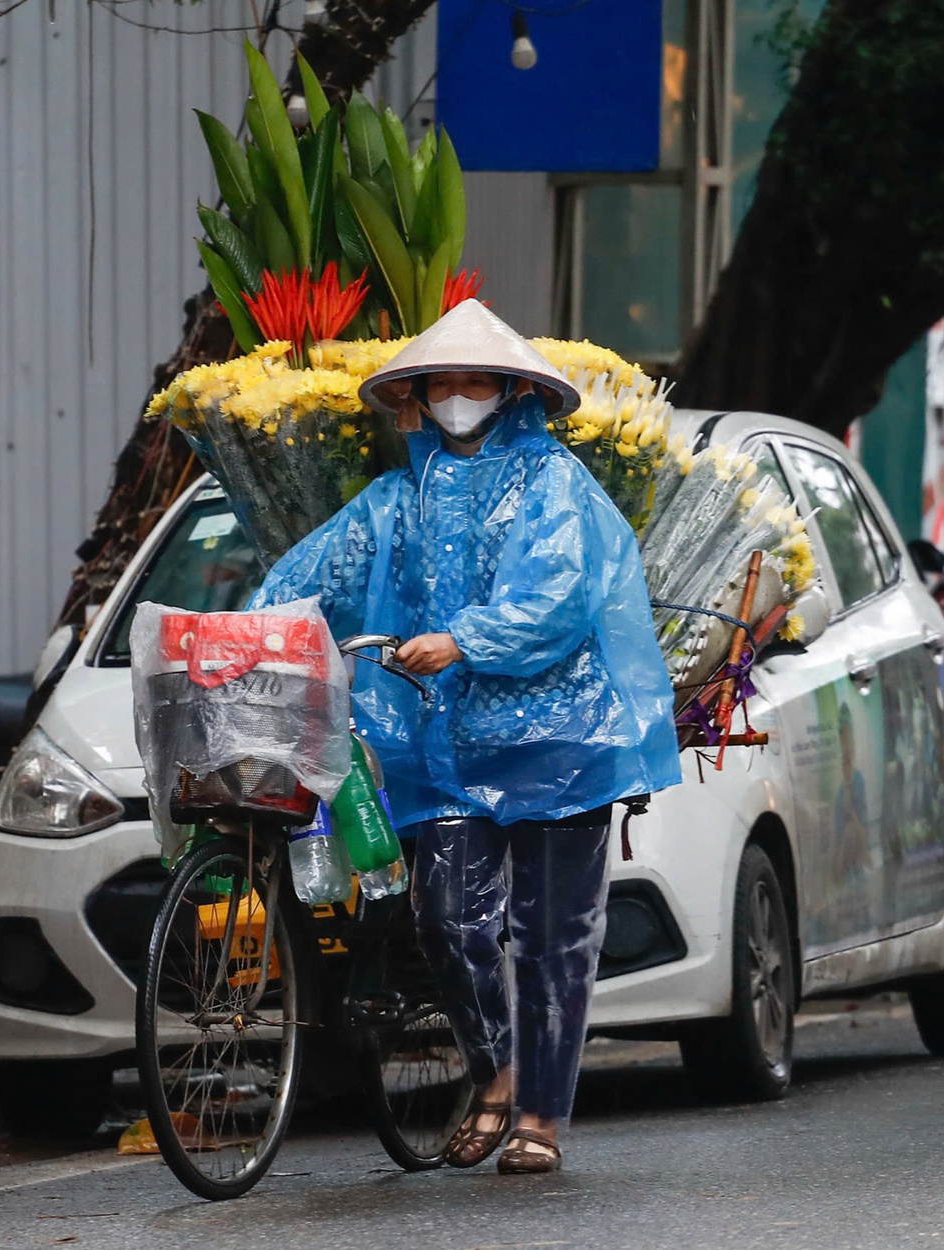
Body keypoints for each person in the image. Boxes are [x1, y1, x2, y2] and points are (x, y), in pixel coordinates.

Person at [248, 300, 681, 1175]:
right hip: (440, 752)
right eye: (440, 383)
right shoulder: (389, 502)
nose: (456, 396)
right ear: (414, 398)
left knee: (555, 938)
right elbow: (310, 575)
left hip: (560, 744)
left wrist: (465, 640)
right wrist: (247, 634)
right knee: (448, 920)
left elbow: (557, 600)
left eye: (472, 380)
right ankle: (497, 1074)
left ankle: (540, 1119)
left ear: (510, 390)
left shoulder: (556, 485)